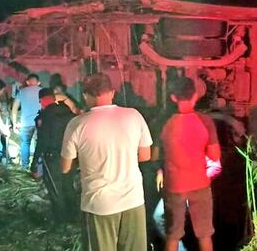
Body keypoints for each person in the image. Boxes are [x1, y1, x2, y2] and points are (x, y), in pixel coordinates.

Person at [61, 73, 152, 251]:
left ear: (85, 95)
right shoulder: (134, 115)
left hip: (99, 204)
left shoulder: (77, 124)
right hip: (133, 200)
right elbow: (145, 156)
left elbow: (65, 167)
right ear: (112, 92)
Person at [158, 77, 221, 251]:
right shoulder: (205, 121)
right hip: (200, 184)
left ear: (173, 97)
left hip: (174, 186)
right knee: (204, 234)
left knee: (172, 235)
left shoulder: (164, 122)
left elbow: (155, 154)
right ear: (195, 96)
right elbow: (214, 156)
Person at [30, 88, 77, 220]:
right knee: (68, 184)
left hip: (53, 157)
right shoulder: (68, 113)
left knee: (55, 188)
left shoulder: (45, 116)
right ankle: (73, 215)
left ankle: (60, 218)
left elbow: (42, 141)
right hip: (70, 156)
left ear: (42, 101)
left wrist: (34, 163)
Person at [11, 73, 41, 170]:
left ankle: (25, 166)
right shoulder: (42, 91)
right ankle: (37, 166)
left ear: (27, 82)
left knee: (25, 143)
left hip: (26, 123)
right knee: (39, 144)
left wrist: (15, 123)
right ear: (38, 82)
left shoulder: (21, 92)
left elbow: (14, 108)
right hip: (40, 122)